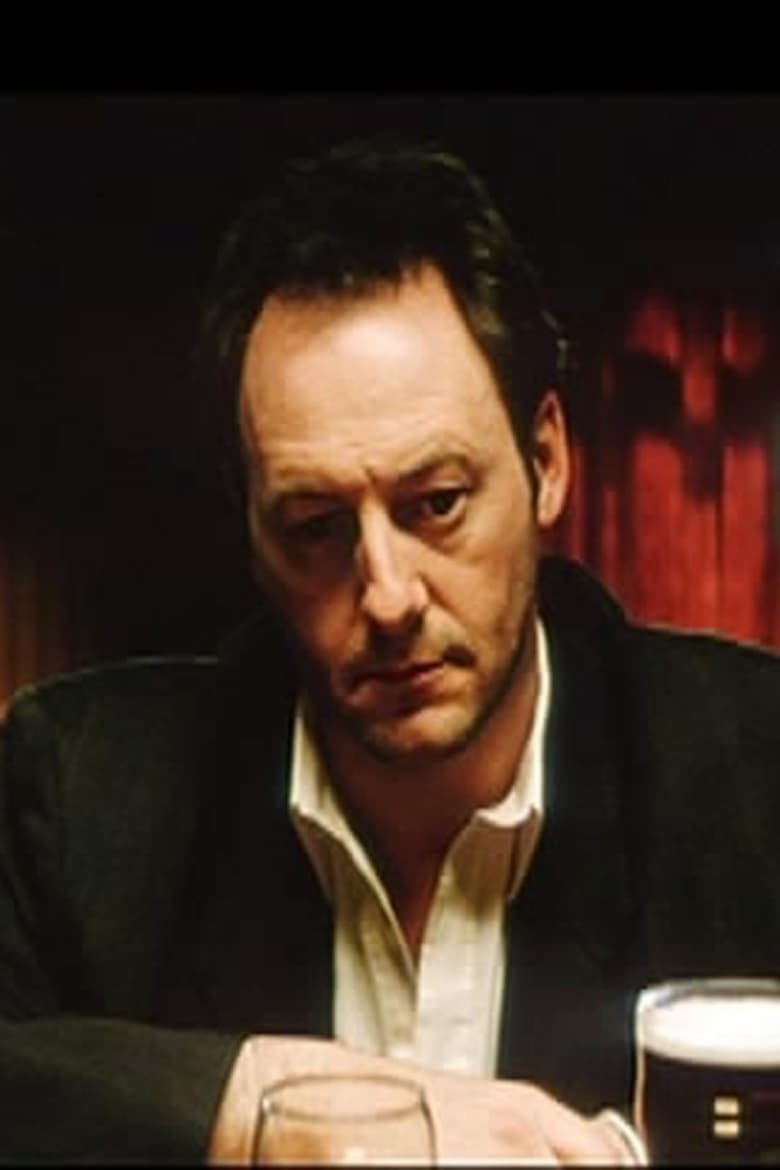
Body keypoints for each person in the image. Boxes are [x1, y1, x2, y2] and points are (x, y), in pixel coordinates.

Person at [1, 135, 779, 1165]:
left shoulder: (755, 767)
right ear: (250, 528)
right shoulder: (80, 790)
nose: (388, 595)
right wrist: (255, 1102)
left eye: (438, 503)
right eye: (316, 527)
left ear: (546, 462)